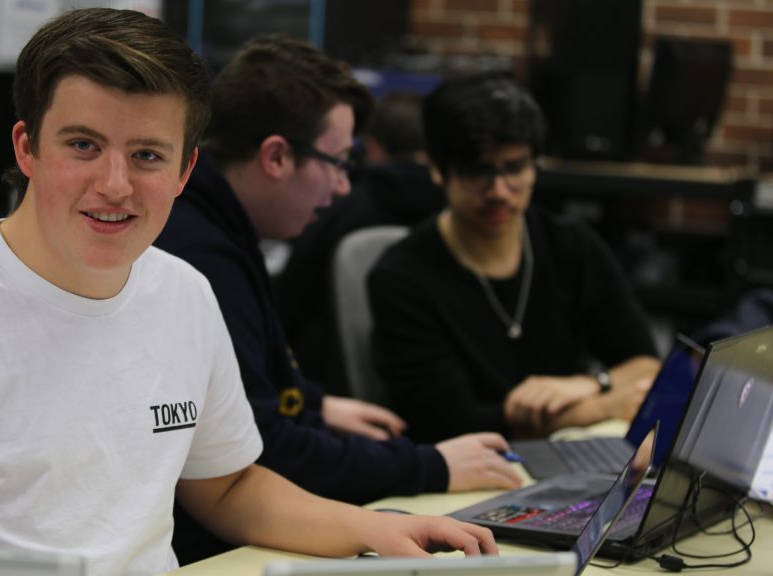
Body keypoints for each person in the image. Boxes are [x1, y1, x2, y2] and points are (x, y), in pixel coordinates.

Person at [0, 10, 500, 576]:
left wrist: (381, 530)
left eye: (147, 155)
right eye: (83, 145)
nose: (116, 183)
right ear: (27, 147)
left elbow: (228, 485)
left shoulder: (184, 292)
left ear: (184, 169)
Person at [154, 35, 523, 563]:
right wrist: (427, 466)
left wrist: (314, 403)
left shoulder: (224, 229)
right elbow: (265, 450)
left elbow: (251, 388)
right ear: (277, 156)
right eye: (339, 162)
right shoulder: (200, 258)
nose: (345, 187)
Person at [367, 72, 661, 444]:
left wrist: (587, 383)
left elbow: (645, 363)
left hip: (564, 458)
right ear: (439, 172)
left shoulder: (570, 245)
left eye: (515, 168)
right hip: (462, 469)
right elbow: (454, 422)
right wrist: (598, 407)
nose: (499, 192)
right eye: (479, 172)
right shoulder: (401, 277)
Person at [276, 91, 445, 395]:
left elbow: (291, 300)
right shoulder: (457, 211)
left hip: (334, 385)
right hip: (435, 387)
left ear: (372, 147)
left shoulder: (342, 205)